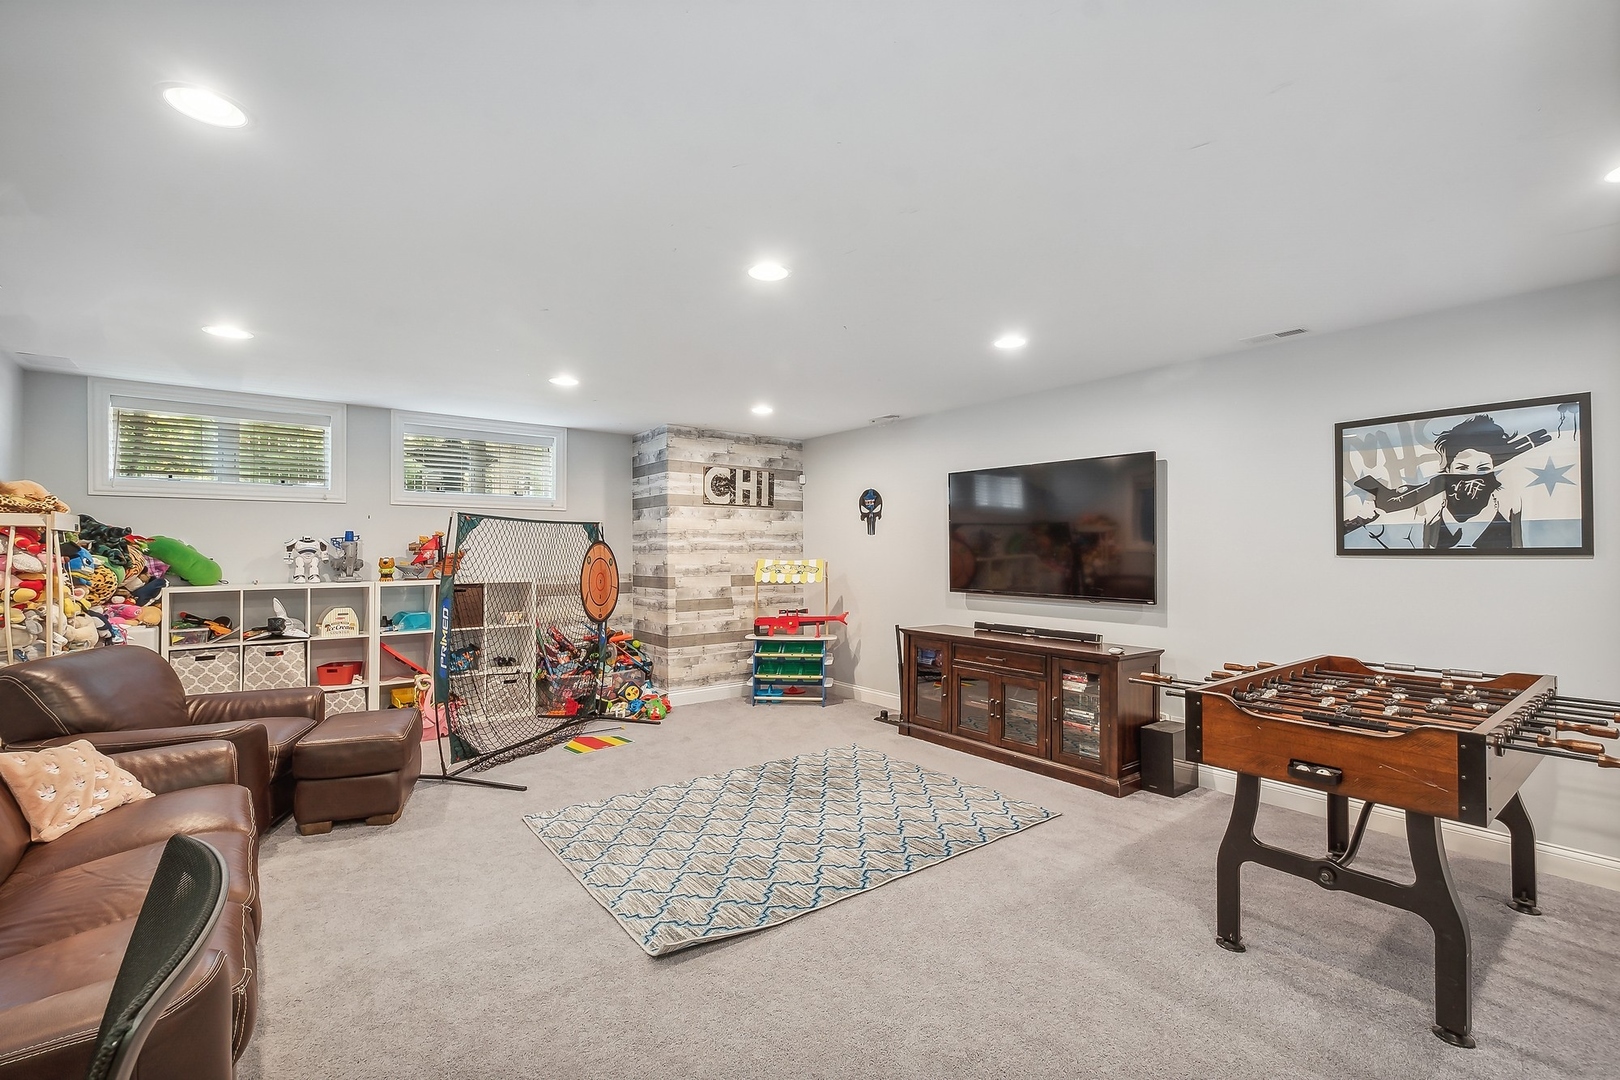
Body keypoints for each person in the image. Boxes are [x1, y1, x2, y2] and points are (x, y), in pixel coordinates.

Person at [1423, 414, 1522, 550]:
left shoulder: (1509, 527)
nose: (1473, 477)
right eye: (1462, 468)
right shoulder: (1429, 526)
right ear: (1447, 469)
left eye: (1483, 468)